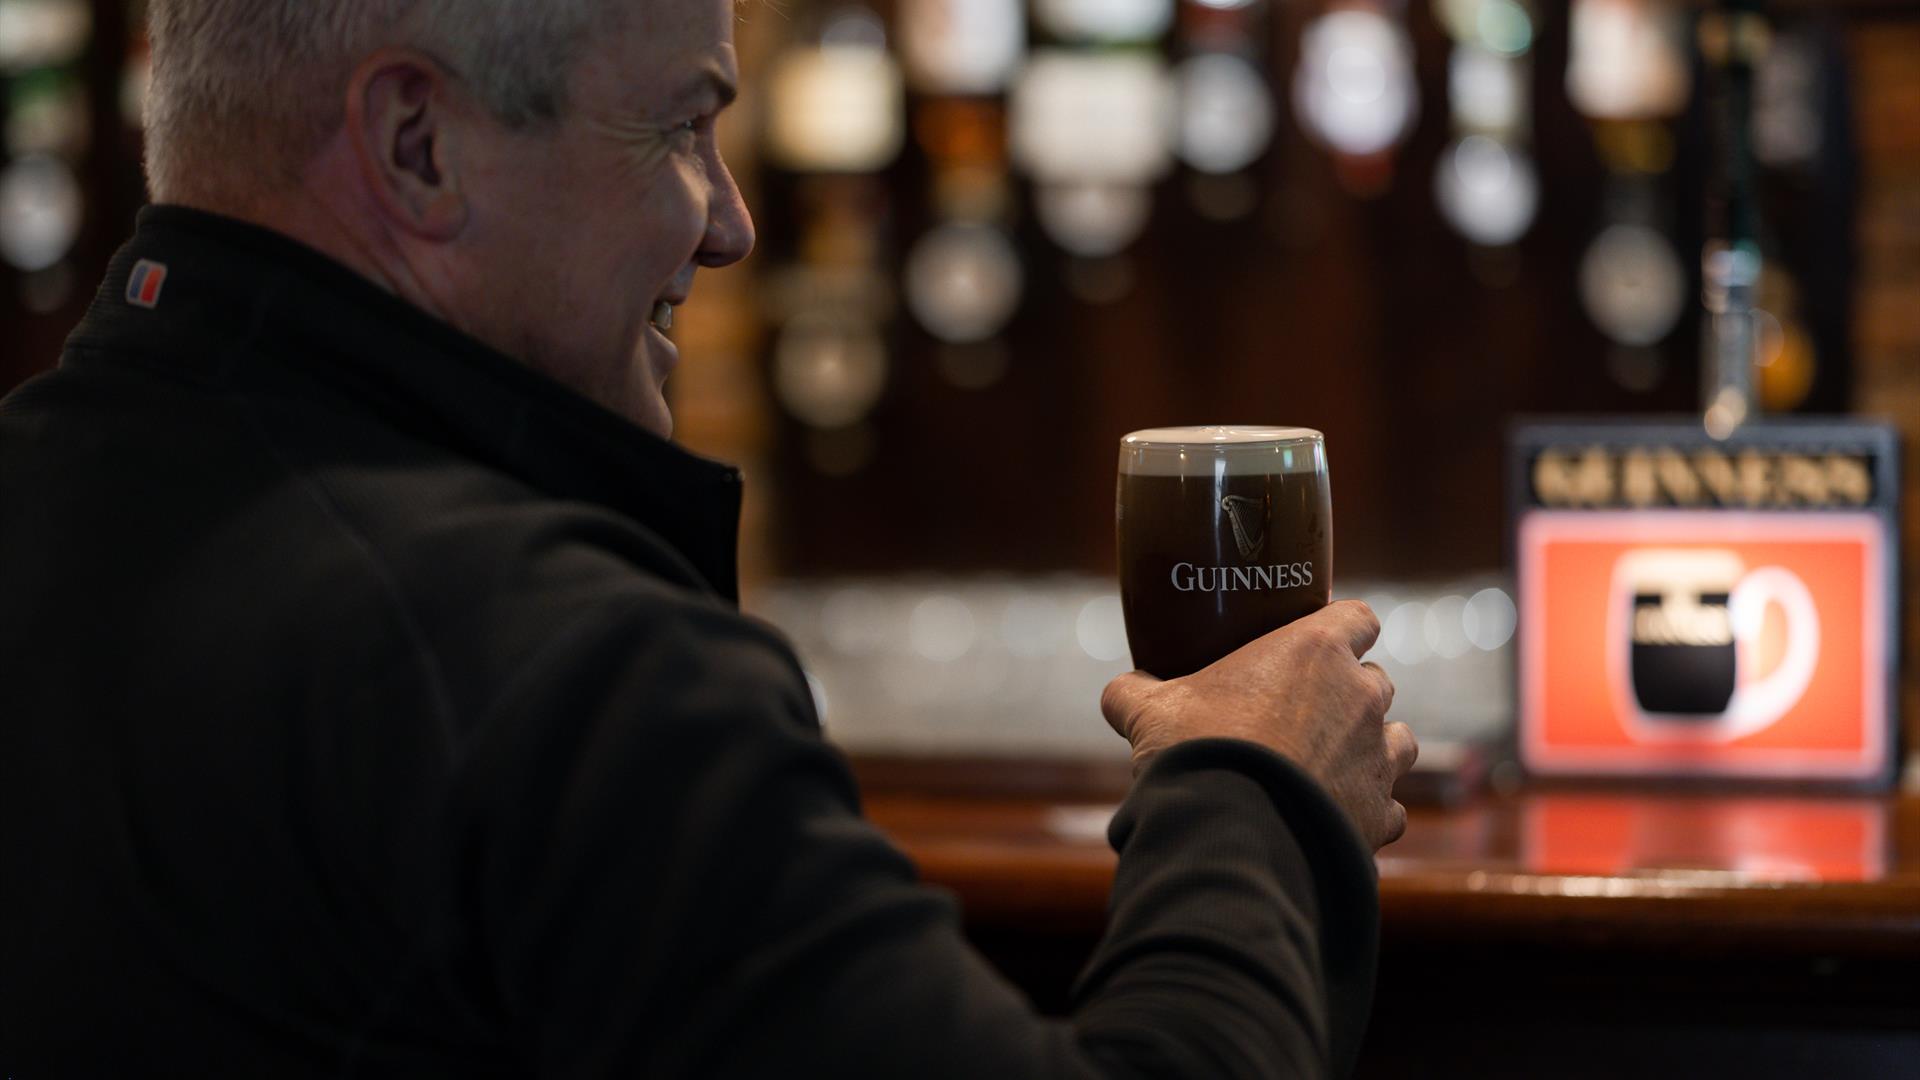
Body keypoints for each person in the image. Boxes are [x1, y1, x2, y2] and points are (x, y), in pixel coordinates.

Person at [0, 1, 1416, 1075]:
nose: (732, 225)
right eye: (680, 129)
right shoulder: (562, 672)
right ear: (417, 145)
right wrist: (1258, 791)